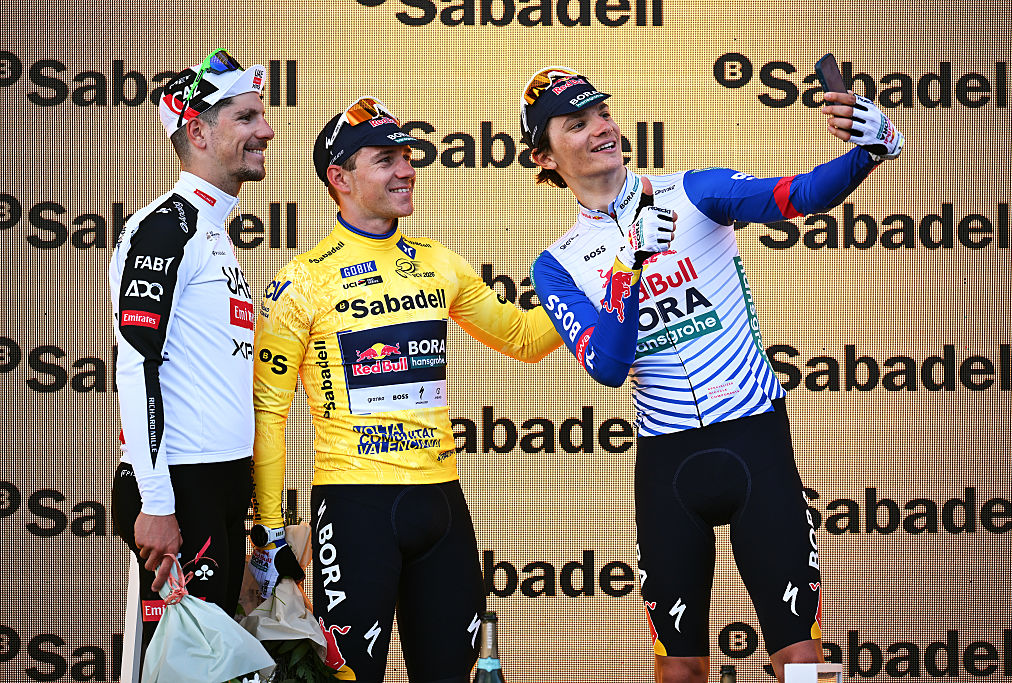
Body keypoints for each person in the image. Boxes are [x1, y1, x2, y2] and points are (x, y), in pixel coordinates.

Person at [518, 67, 904, 682]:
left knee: (798, 659)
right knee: (681, 670)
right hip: (670, 466)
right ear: (543, 155)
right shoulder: (556, 265)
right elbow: (610, 367)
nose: (603, 129)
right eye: (577, 123)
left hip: (753, 441)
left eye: (602, 113)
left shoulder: (694, 192)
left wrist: (871, 150)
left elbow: (798, 197)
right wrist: (629, 274)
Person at [249, 95, 563, 682]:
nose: (405, 170)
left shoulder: (439, 262)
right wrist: (268, 529)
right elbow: (269, 410)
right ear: (339, 177)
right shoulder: (302, 280)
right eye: (385, 159)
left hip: (442, 503)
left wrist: (607, 283)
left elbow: (522, 337)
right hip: (355, 506)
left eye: (407, 156)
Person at [108, 49, 274, 666]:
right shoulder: (164, 227)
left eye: (262, 116)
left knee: (213, 666)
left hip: (222, 480)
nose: (266, 130)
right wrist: (155, 501)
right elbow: (135, 363)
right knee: (182, 668)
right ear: (198, 131)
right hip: (180, 485)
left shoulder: (215, 234)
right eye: (246, 117)